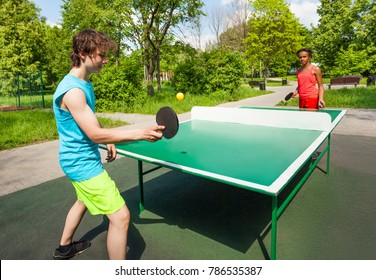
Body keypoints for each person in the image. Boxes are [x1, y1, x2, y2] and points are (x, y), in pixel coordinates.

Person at [52, 29, 164, 260]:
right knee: (121, 217)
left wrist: (107, 136)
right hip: (81, 163)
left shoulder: (82, 82)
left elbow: (90, 120)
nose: (105, 60)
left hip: (75, 159)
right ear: (83, 53)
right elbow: (93, 134)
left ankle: (64, 248)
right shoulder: (73, 91)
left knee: (83, 199)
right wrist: (139, 133)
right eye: (101, 55)